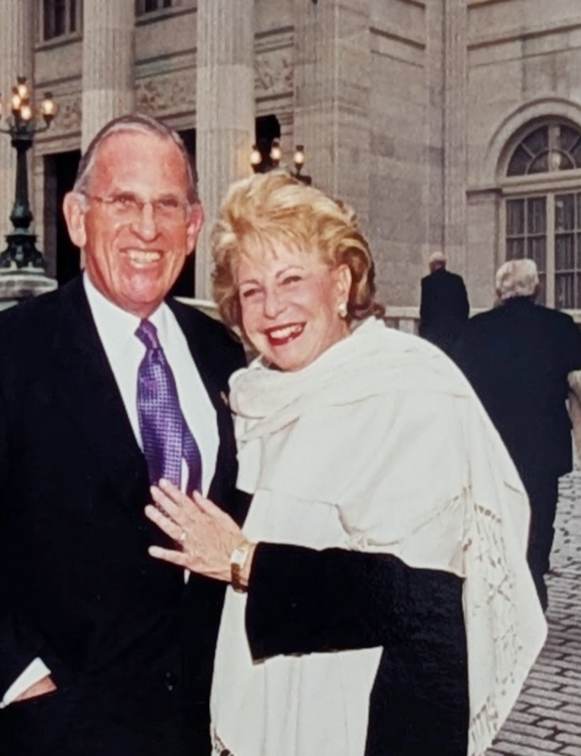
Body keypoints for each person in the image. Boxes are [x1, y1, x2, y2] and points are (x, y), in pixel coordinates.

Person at [145, 172, 546, 756]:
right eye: (252, 290)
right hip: (260, 716)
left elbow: (419, 599)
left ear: (340, 282)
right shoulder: (252, 399)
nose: (272, 308)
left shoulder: (413, 388)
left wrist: (244, 560)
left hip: (376, 724)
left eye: (291, 279)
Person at [0, 114, 246, 756]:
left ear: (193, 226)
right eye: (124, 202)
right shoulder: (0, 356)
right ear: (78, 218)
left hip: (189, 729)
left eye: (167, 205)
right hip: (42, 734)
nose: (148, 228)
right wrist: (27, 685)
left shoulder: (221, 353)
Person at [455, 258, 581, 612]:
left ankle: (503, 591)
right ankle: (533, 580)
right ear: (536, 288)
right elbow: (577, 383)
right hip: (544, 446)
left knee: (498, 517)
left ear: (499, 291)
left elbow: (460, 388)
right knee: (540, 520)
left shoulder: (476, 330)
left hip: (494, 446)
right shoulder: (560, 326)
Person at [419, 250, 470, 355]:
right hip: (454, 334)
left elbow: (425, 310)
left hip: (433, 334)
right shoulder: (457, 280)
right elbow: (465, 307)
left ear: (432, 265)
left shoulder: (427, 282)